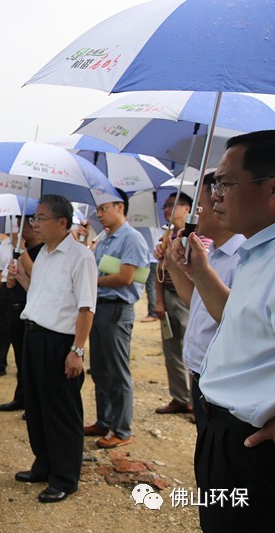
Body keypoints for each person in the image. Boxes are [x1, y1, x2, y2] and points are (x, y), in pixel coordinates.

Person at [167, 131, 275, 530]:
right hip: (222, 431)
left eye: (225, 184)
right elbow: (235, 317)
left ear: (272, 188)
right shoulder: (257, 252)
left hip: (251, 442)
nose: (215, 197)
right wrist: (197, 270)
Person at [9, 195, 96, 503]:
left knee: (61, 412)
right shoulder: (44, 254)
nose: (35, 224)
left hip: (59, 342)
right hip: (33, 337)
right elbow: (41, 295)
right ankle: (43, 464)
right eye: (34, 218)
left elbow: (86, 308)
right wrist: (20, 277)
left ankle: (65, 477)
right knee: (36, 407)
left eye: (41, 218)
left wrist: (77, 350)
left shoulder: (80, 257)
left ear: (62, 222)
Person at [164, 174, 244, 432]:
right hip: (201, 369)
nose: (194, 216)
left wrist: (199, 271)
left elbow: (234, 318)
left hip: (223, 376)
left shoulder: (243, 257)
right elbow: (195, 301)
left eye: (199, 207)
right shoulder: (214, 254)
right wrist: (172, 263)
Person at [84, 189, 149, 449]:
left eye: (103, 208)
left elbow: (126, 277)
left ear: (120, 207)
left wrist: (93, 281)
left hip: (116, 310)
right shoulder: (105, 238)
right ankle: (105, 420)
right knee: (100, 369)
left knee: (117, 371)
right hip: (100, 308)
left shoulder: (131, 238)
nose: (99, 214)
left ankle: (122, 430)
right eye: (97, 209)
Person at [152, 191, 194, 414]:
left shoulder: (196, 235)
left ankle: (196, 401)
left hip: (187, 297)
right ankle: (180, 397)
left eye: (172, 205)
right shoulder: (166, 236)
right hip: (169, 295)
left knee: (192, 348)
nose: (167, 210)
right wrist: (159, 300)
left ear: (187, 208)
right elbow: (159, 271)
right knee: (171, 348)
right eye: (165, 206)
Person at [0, 216, 43, 412]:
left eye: (23, 222)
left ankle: (34, 402)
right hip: (15, 306)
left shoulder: (42, 251)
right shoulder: (18, 250)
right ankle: (21, 396)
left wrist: (22, 250)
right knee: (20, 357)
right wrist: (11, 280)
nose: (20, 227)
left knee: (33, 360)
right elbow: (15, 278)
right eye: (17, 222)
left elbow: (38, 278)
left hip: (34, 312)